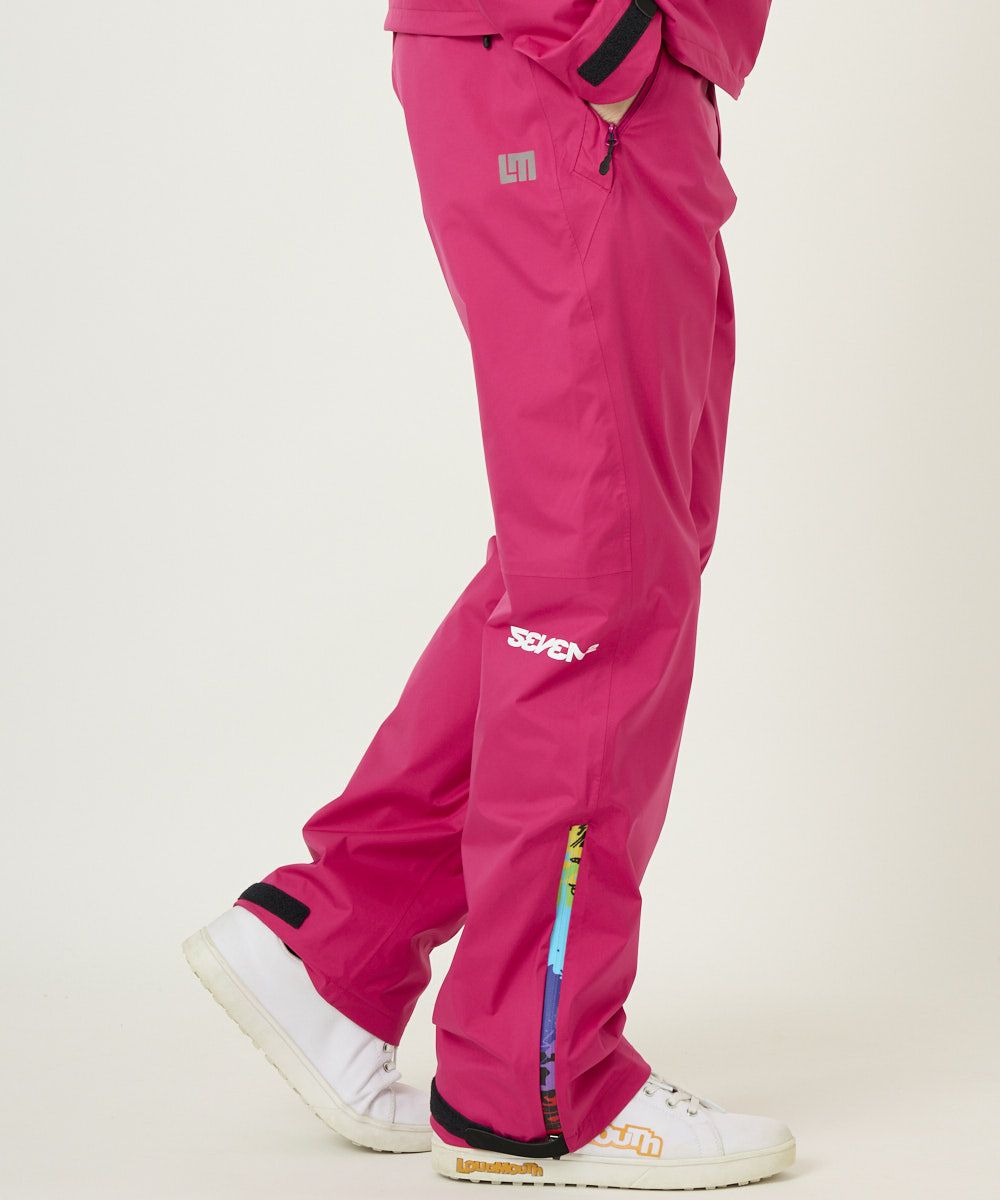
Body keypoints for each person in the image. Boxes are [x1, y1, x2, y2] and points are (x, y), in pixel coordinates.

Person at [184, 0, 795, 1188]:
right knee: (599, 576)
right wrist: (604, 35)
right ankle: (532, 1083)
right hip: (569, 61)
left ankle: (338, 944)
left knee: (602, 551)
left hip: (606, 75)